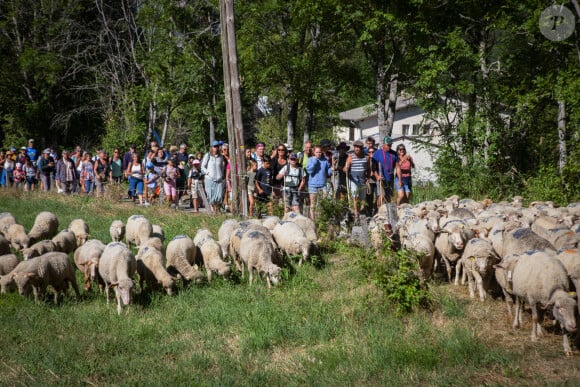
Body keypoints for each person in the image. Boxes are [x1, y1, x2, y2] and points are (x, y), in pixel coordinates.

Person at [305, 145, 333, 220]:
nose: (318, 154)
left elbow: (328, 172)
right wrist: (314, 161)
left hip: (322, 185)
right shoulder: (310, 159)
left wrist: (331, 170)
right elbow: (309, 171)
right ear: (314, 152)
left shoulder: (325, 160)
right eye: (317, 152)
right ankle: (313, 220)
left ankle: (321, 219)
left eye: (320, 152)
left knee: (322, 204)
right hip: (312, 185)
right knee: (313, 204)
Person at [344, 141, 368, 220]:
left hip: (362, 180)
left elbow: (368, 168)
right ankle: (356, 215)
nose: (357, 149)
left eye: (359, 147)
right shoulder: (351, 157)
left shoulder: (366, 157)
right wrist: (346, 168)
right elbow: (345, 168)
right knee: (355, 197)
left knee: (362, 199)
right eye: (356, 147)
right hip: (353, 180)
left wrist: (367, 177)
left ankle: (359, 212)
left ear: (361, 148)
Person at [201, 140, 226, 214]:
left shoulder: (221, 156)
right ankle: (213, 210)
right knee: (211, 196)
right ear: (211, 147)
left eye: (217, 146)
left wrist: (221, 175)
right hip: (210, 179)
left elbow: (222, 167)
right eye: (214, 146)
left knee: (219, 196)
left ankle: (217, 209)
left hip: (219, 179)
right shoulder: (207, 155)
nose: (216, 148)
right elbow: (203, 166)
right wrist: (208, 173)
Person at [373, 136, 398, 206]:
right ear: (383, 144)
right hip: (381, 178)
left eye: (390, 145)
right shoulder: (377, 153)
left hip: (390, 179)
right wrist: (377, 176)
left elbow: (397, 166)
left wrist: (399, 178)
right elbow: (373, 167)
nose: (389, 147)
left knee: (389, 196)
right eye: (388, 145)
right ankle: (379, 211)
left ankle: (388, 211)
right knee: (381, 195)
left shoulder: (394, 154)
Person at [365, 145, 380, 216]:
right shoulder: (366, 160)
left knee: (378, 196)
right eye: (369, 152)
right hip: (369, 181)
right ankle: (369, 212)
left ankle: (377, 211)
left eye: (373, 152)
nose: (371, 153)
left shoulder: (377, 160)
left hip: (376, 181)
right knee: (369, 197)